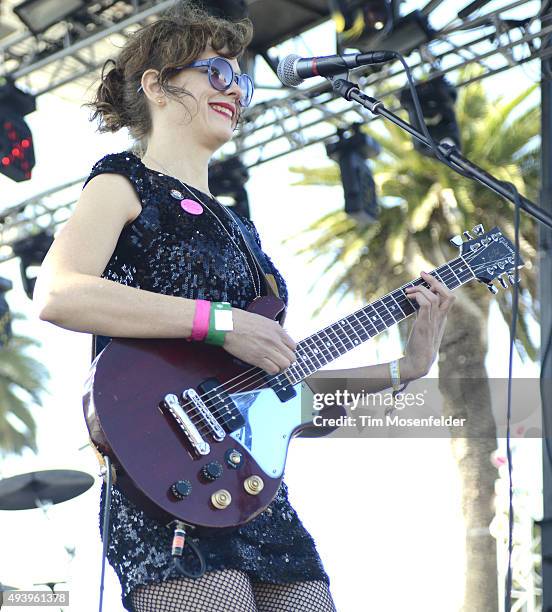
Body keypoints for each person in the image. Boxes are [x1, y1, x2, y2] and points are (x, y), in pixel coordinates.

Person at [32, 2, 455, 611]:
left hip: (254, 492)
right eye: (216, 72)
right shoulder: (123, 183)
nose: (236, 89)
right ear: (156, 85)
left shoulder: (245, 235)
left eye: (243, 78)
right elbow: (58, 292)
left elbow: (282, 401)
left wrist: (402, 371)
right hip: (165, 483)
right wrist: (219, 324)